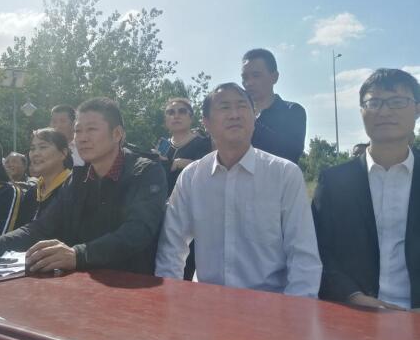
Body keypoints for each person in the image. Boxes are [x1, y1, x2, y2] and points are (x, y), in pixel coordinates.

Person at [0, 97, 167, 275]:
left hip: (130, 289)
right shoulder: (79, 178)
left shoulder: (146, 172)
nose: (82, 138)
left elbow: (137, 233)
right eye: (78, 131)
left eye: (91, 129)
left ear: (117, 134)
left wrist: (78, 255)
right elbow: (42, 227)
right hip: (79, 284)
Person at [155, 83, 321, 297]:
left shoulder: (284, 174)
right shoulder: (191, 177)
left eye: (242, 106)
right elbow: (171, 248)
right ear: (207, 123)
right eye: (224, 107)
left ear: (254, 118)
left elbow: (303, 256)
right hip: (207, 302)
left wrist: (294, 312)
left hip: (269, 304)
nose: (234, 114)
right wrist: (170, 301)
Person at [313, 68, 420, 310]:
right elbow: (318, 250)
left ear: (417, 109)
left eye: (397, 102)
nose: (385, 111)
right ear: (361, 110)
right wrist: (354, 297)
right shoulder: (334, 182)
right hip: (356, 313)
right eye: (374, 103)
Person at [157, 97, 211, 280]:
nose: (176, 116)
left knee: (189, 264)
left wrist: (182, 163)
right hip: (166, 210)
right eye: (170, 112)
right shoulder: (163, 145)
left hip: (194, 210)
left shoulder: (203, 143)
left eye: (182, 111)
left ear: (191, 117)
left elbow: (210, 168)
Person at [241, 48, 306, 164]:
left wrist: (250, 121)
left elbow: (290, 154)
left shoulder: (292, 111)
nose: (249, 83)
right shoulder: (237, 116)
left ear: (274, 77)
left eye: (256, 75)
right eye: (245, 77)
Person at [17, 128, 72, 225]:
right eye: (32, 149)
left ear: (63, 153)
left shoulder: (74, 189)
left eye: (43, 147)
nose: (35, 154)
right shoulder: (32, 193)